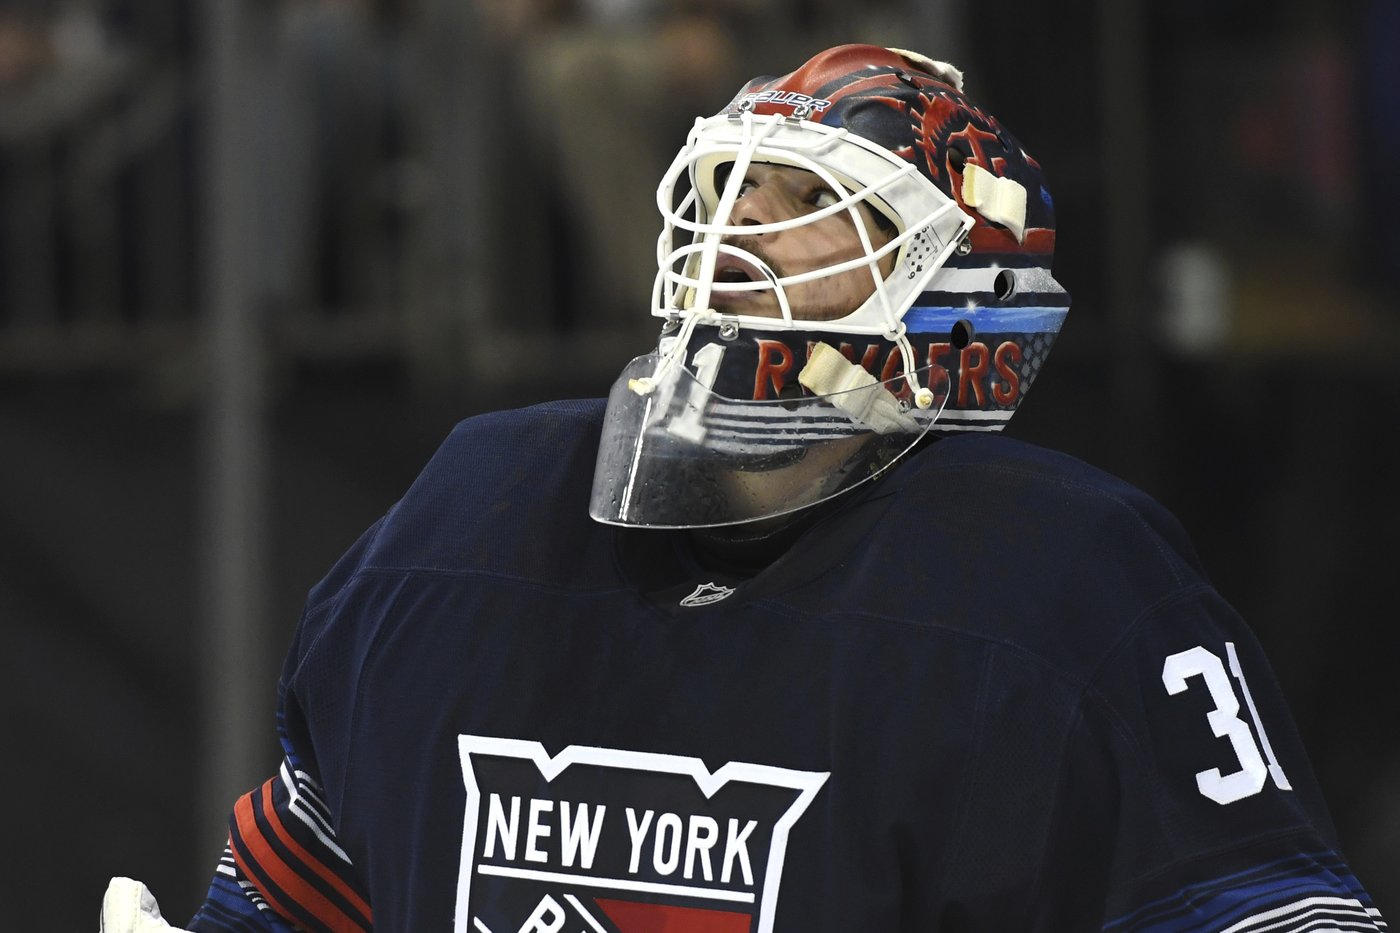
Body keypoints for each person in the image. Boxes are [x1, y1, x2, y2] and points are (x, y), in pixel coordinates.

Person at [102, 45, 1388, 932]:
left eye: (807, 203)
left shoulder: (1063, 572)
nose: (732, 232)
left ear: (962, 290)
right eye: (721, 190)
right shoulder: (471, 503)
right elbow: (312, 883)